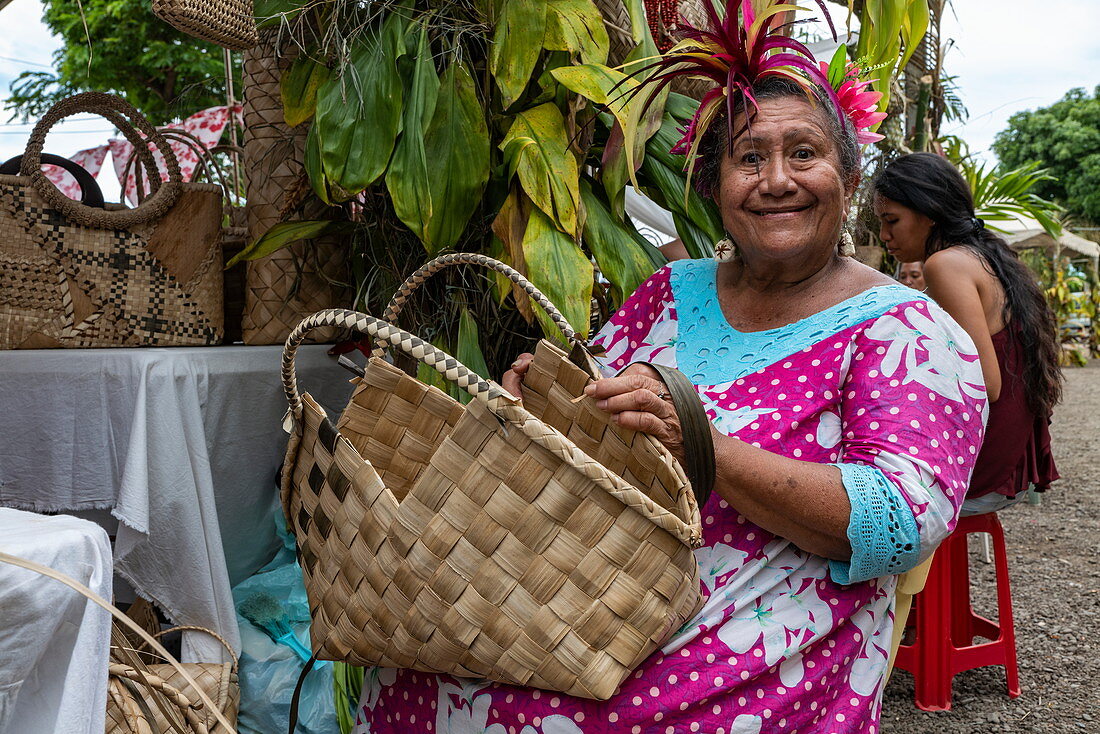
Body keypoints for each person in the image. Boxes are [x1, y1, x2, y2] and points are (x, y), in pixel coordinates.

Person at [353, 7, 986, 734]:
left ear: (848, 175)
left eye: (803, 153)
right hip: (592, 594)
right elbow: (595, 426)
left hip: (751, 642)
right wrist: (542, 399)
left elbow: (900, 525)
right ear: (714, 187)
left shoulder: (905, 330)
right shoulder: (672, 290)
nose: (775, 180)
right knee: (416, 664)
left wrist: (700, 444)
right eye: (749, 159)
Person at [874, 153, 1061, 516]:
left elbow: (986, 385)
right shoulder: (984, 255)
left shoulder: (944, 264)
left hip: (982, 471)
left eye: (891, 221)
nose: (884, 236)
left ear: (928, 213)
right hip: (1013, 460)